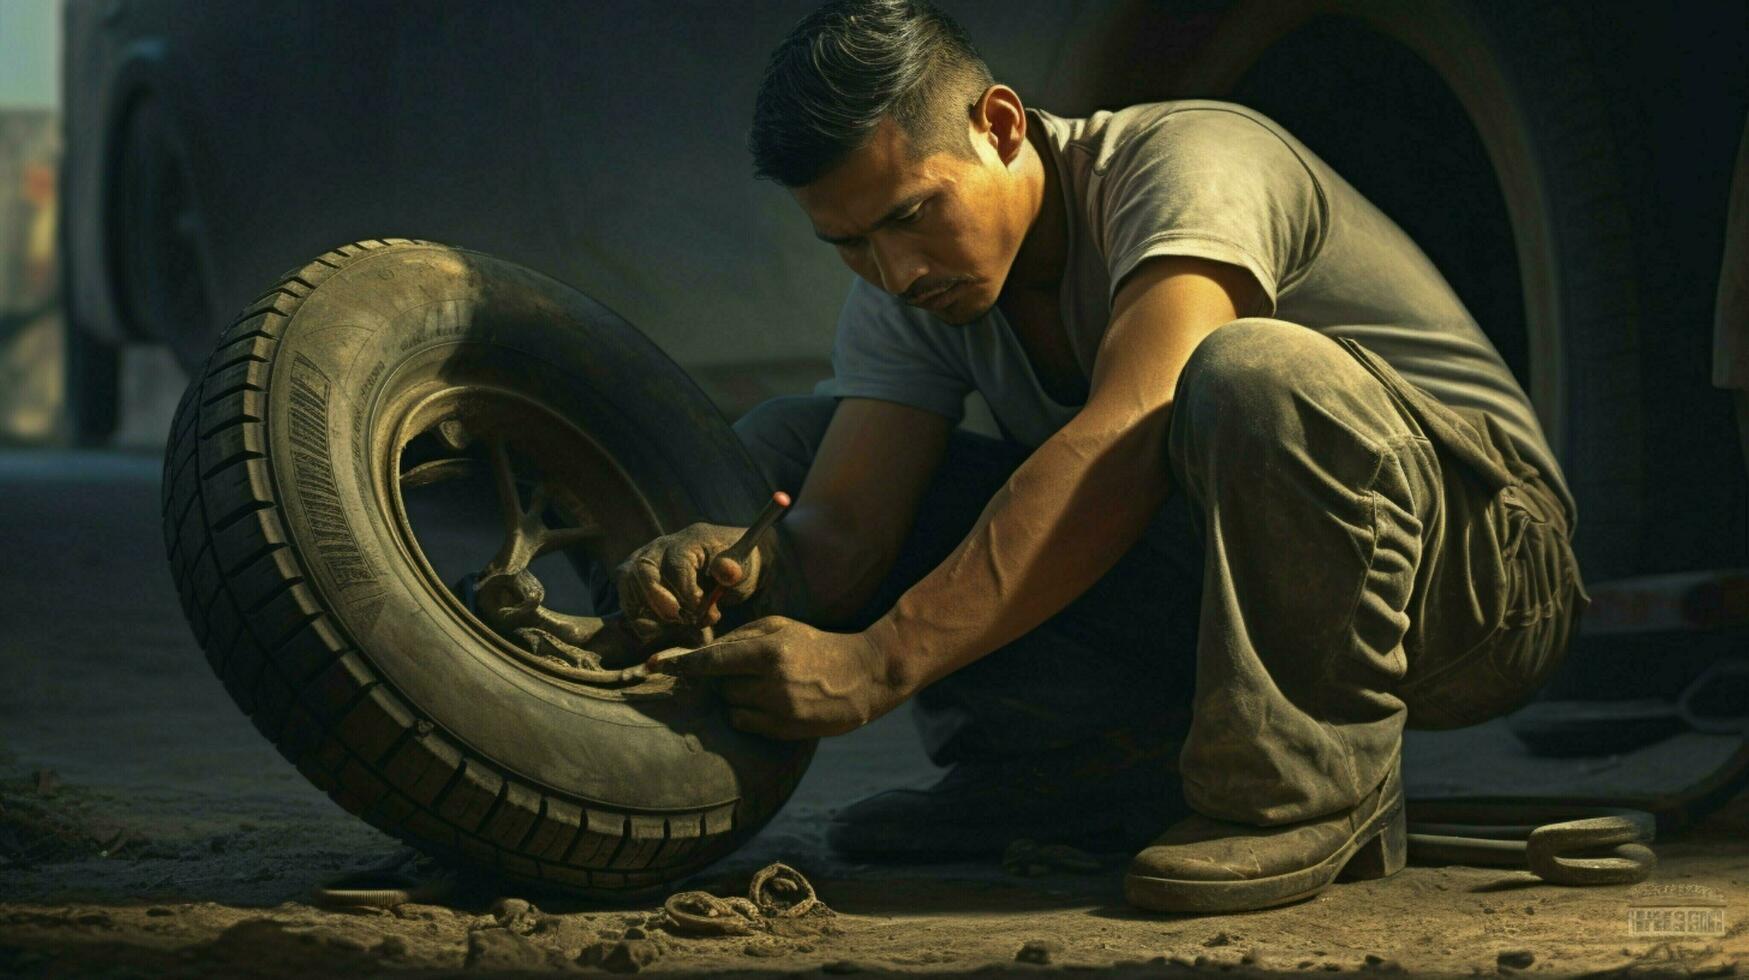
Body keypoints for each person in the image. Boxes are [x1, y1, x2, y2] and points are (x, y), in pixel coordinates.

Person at [616, 0, 1589, 913]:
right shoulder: (906, 288)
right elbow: (846, 530)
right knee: (790, 441)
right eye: (849, 242)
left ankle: (1308, 785)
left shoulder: (1190, 163)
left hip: (1482, 578)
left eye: (912, 214)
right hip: (1222, 582)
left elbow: (1124, 439)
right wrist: (735, 566)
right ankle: (1057, 773)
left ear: (1000, 124)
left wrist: (877, 662)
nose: (895, 270)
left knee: (1246, 371)